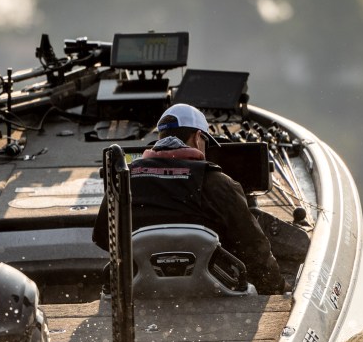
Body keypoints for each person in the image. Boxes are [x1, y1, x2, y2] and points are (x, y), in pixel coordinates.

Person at [92, 103, 287, 294]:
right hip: (211, 292)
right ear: (198, 137)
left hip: (141, 292)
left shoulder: (122, 179)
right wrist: (274, 288)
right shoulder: (217, 182)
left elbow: (103, 237)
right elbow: (253, 247)